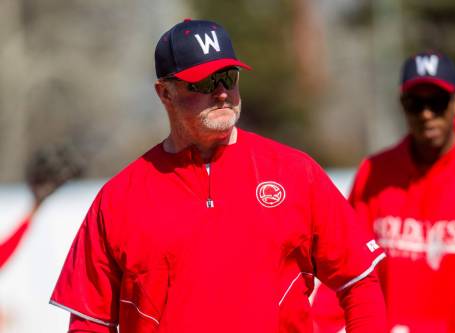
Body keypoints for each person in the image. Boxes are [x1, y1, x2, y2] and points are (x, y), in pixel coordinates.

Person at [49, 19, 387, 333]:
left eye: (229, 77)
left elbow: (359, 281)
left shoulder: (295, 172)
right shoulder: (119, 198)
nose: (222, 92)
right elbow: (88, 323)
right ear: (165, 93)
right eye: (205, 82)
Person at [313, 51, 455, 333]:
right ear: (402, 105)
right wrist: (318, 326)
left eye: (437, 102)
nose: (426, 114)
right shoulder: (376, 171)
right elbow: (347, 262)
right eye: (415, 103)